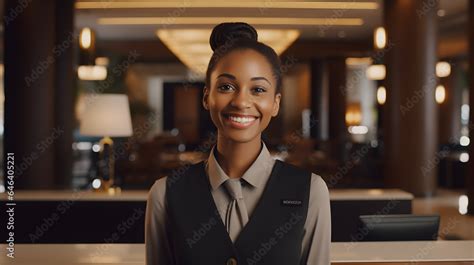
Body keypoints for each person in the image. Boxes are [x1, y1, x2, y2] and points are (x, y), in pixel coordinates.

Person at [146, 22, 331, 265]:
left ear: (275, 103)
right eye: (226, 87)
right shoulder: (164, 195)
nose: (241, 101)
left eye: (258, 89)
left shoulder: (311, 191)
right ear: (206, 97)